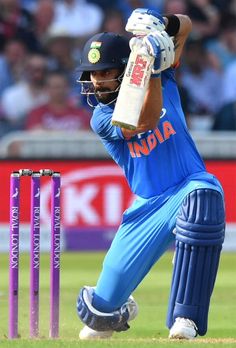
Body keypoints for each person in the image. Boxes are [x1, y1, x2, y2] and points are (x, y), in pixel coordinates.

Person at [75, 8, 225, 340]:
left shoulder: (165, 75)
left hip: (189, 185)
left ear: (126, 68)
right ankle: (122, 308)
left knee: (204, 198)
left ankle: (185, 316)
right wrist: (153, 69)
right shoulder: (102, 118)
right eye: (93, 75)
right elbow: (143, 121)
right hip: (146, 207)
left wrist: (163, 28)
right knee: (96, 317)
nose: (98, 81)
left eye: (106, 72)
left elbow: (184, 26)